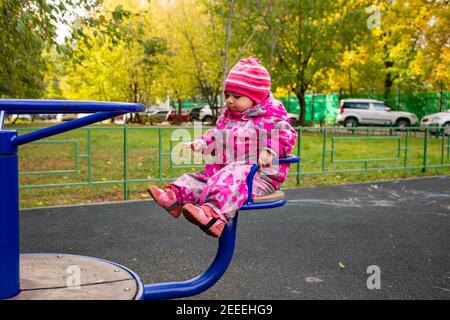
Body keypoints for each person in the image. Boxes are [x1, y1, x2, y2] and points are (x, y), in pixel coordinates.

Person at [148, 57, 297, 238]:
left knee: (227, 178)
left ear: (255, 97)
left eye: (237, 96)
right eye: (227, 96)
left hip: (258, 176)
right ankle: (176, 198)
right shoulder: (229, 118)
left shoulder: (270, 118)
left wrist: (269, 150)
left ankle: (214, 216)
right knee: (202, 177)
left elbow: (285, 135)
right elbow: (217, 137)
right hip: (227, 170)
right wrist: (202, 143)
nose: (229, 101)